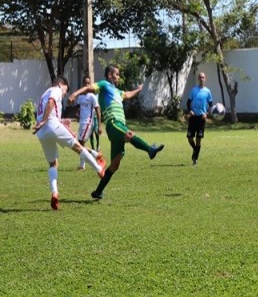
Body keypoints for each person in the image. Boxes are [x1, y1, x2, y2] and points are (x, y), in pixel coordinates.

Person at [68, 65, 165, 200]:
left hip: (119, 126)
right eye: (117, 74)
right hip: (113, 123)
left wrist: (138, 89)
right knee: (130, 135)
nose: (118, 77)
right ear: (109, 75)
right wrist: (74, 94)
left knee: (115, 165)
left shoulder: (118, 91)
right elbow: (89, 88)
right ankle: (150, 149)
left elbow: (127, 94)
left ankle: (98, 192)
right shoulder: (104, 85)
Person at [33, 77, 106, 210]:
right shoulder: (56, 89)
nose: (65, 93)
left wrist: (61, 121)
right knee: (78, 147)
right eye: (66, 89)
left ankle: (54, 192)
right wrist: (45, 120)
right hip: (49, 125)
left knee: (53, 163)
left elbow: (50, 110)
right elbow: (51, 102)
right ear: (61, 84)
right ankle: (99, 169)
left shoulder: (44, 93)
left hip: (42, 133)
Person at [75, 76, 102, 171]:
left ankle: (93, 157)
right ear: (83, 84)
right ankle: (92, 157)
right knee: (80, 144)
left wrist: (99, 126)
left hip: (88, 122)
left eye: (88, 83)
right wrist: (77, 114)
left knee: (79, 144)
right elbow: (78, 108)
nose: (86, 85)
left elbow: (98, 111)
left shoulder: (92, 96)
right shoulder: (80, 97)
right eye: (85, 83)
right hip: (81, 122)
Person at [186, 72, 214, 166]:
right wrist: (190, 111)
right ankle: (195, 149)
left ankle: (195, 159)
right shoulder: (194, 90)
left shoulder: (207, 91)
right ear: (198, 79)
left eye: (203, 77)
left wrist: (207, 114)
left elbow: (211, 105)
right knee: (190, 138)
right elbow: (188, 102)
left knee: (198, 139)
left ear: (205, 79)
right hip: (193, 118)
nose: (201, 79)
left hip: (201, 119)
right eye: (200, 77)